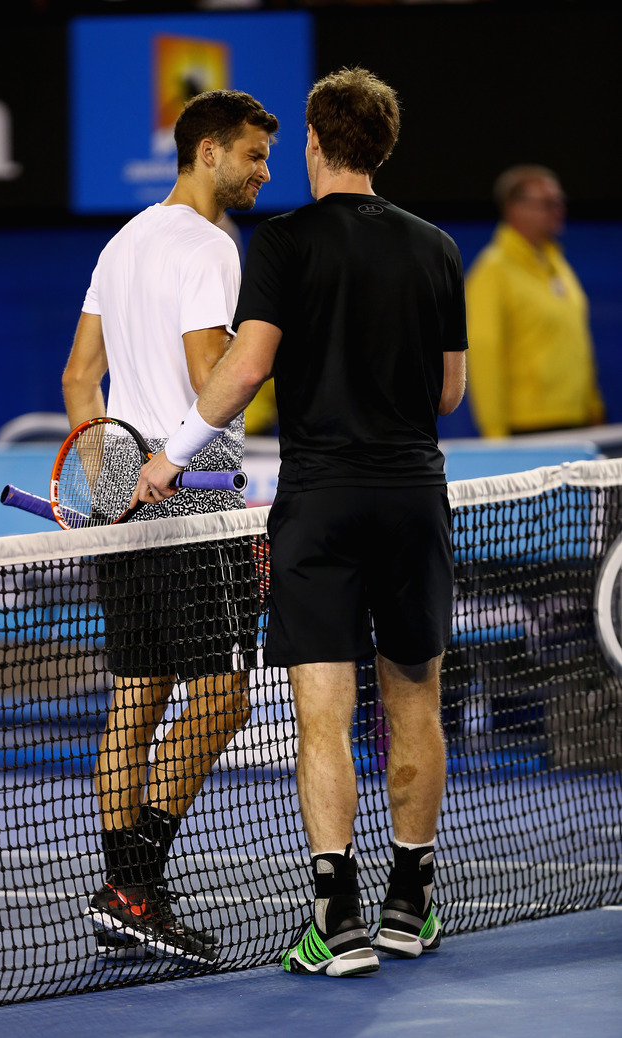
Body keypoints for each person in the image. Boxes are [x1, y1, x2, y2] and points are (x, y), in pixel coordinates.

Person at [132, 67, 467, 978]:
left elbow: (243, 373)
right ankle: (410, 903)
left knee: (324, 715)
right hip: (411, 497)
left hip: (320, 504)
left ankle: (335, 918)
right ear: (383, 148)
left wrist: (169, 456)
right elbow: (449, 391)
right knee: (415, 702)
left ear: (317, 144)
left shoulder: (281, 245)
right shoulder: (437, 248)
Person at [61, 88, 279, 962]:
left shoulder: (122, 244)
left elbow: (81, 381)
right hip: (193, 495)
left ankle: (123, 885)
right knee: (222, 697)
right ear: (208, 153)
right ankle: (137, 881)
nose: (265, 171)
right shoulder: (212, 247)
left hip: (130, 491)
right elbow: (211, 378)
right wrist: (273, 355)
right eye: (253, 155)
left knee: (138, 692)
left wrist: (112, 486)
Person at [465, 165, 605, 437]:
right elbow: (483, 355)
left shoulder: (557, 264)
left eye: (560, 201)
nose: (559, 210)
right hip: (528, 430)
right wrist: (495, 435)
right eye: (548, 203)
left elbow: (576, 343)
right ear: (515, 209)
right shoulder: (492, 272)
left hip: (578, 422)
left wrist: (593, 406)